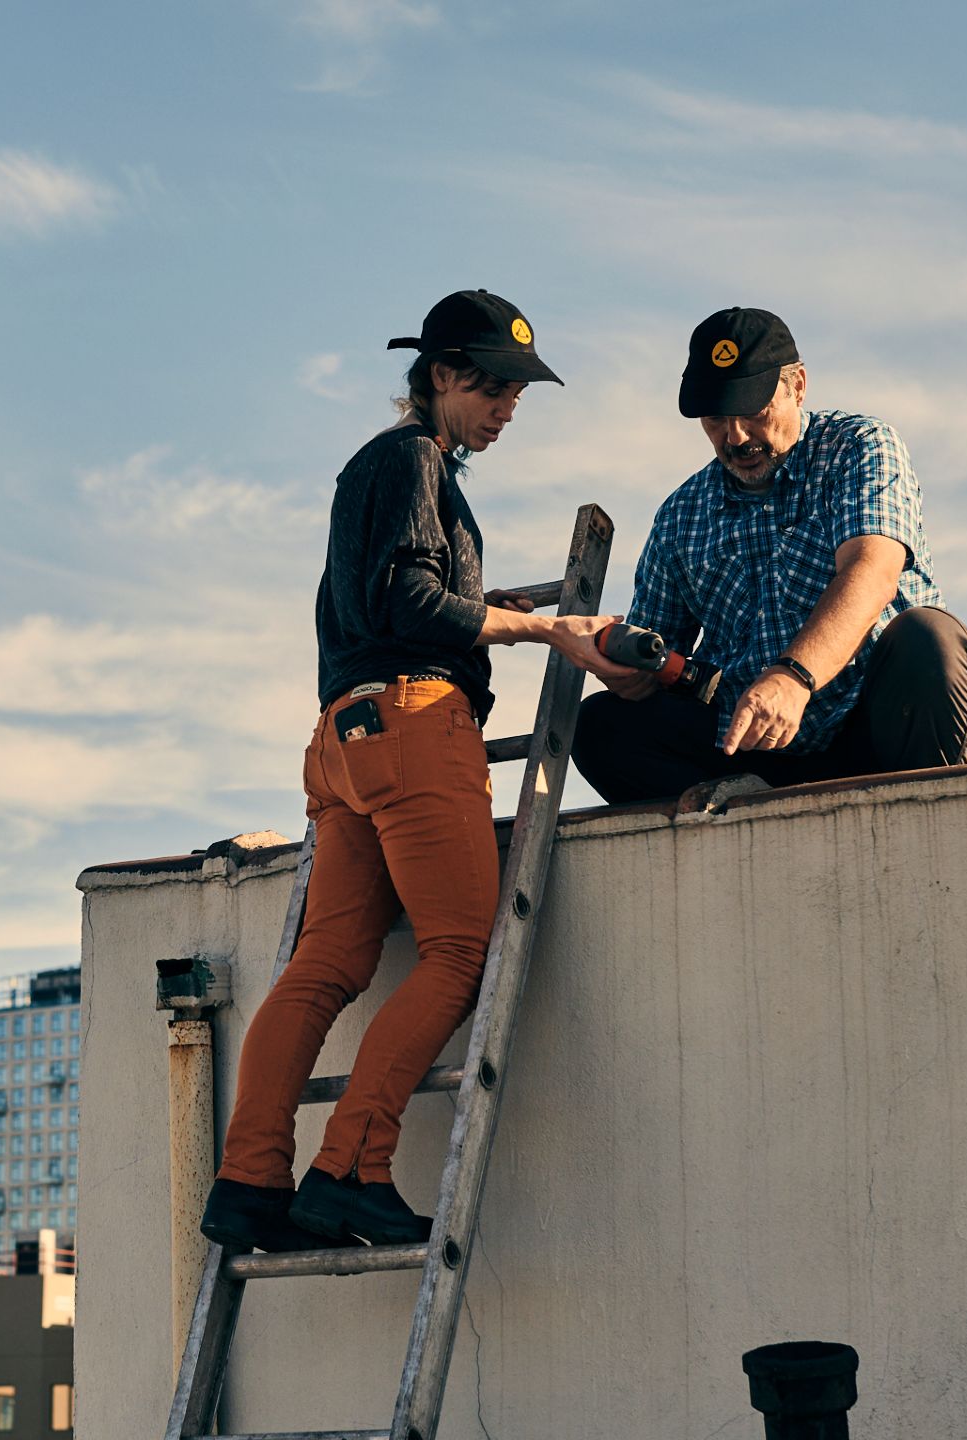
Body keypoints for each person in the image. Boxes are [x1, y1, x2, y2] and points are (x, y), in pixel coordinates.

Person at [199, 289, 634, 1251]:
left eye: (518, 394)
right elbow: (411, 604)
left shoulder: (376, 471)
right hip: (414, 726)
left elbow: (390, 599)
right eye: (494, 388)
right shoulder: (413, 460)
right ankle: (351, 1170)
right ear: (441, 376)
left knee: (324, 965)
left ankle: (248, 1184)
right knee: (458, 955)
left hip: (343, 741)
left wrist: (488, 601)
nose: (509, 408)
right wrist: (548, 630)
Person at [574, 307, 967, 802]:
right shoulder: (679, 515)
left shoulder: (859, 446)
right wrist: (628, 670)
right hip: (754, 748)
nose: (735, 437)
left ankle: (949, 812)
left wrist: (793, 676)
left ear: (797, 386)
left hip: (880, 728)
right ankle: (745, 814)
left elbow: (872, 571)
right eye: (716, 419)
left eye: (752, 412)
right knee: (601, 725)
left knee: (928, 638)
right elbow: (657, 656)